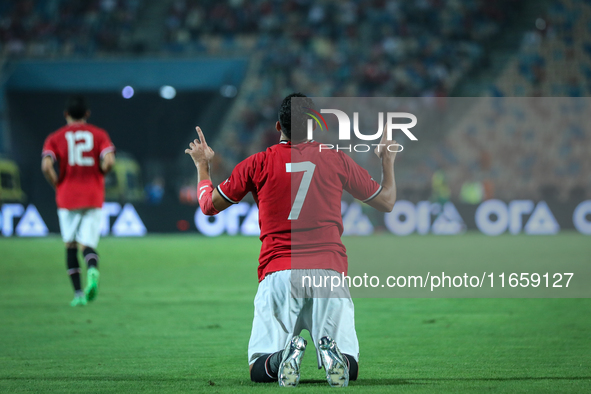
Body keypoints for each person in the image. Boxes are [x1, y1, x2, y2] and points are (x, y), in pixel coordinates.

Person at [185, 93, 398, 387]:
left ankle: (282, 356)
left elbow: (208, 205)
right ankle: (335, 357)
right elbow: (387, 201)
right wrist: (387, 161)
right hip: (329, 274)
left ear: (277, 127)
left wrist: (202, 166)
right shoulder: (335, 158)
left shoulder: (256, 163)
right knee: (351, 367)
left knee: (259, 369)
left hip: (279, 272)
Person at [41, 96, 116, 306]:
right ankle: (92, 269)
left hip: (67, 196)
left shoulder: (55, 137)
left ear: (66, 114)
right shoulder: (99, 134)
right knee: (87, 244)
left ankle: (78, 295)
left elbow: (46, 166)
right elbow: (109, 160)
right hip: (93, 195)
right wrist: (101, 173)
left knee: (70, 245)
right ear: (87, 114)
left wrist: (57, 184)